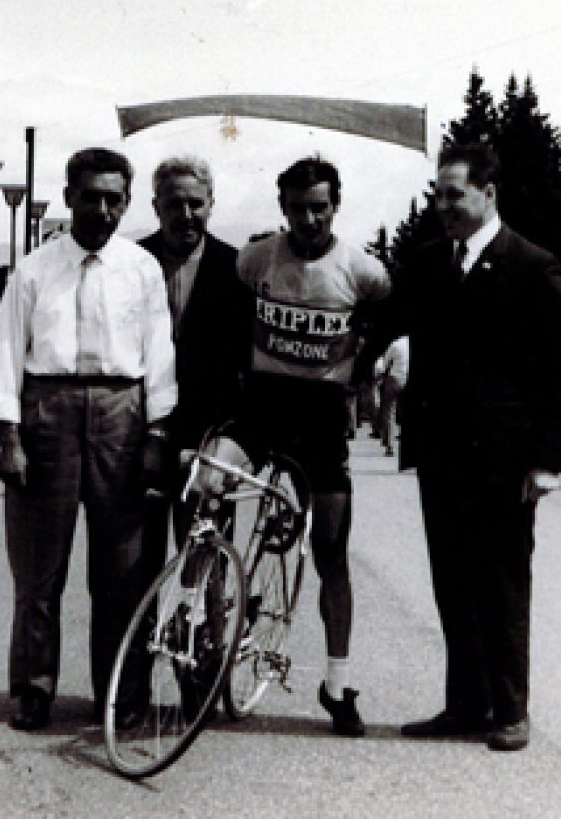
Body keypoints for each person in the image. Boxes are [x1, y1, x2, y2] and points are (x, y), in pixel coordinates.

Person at [360, 142, 561, 752]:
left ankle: (510, 710)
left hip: (505, 459)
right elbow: (382, 325)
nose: (443, 205)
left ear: (489, 192)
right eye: (438, 194)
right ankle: (466, 705)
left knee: (502, 585)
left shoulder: (534, 266)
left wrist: (546, 460)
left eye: (455, 194)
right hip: (441, 454)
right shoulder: (429, 263)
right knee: (452, 583)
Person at [0, 147, 177, 731]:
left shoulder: (141, 269)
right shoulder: (35, 269)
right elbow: (6, 353)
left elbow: (158, 354)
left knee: (123, 572)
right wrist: (7, 437)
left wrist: (157, 431)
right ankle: (33, 689)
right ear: (69, 198)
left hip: (122, 412)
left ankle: (119, 694)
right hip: (48, 413)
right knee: (39, 568)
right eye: (91, 196)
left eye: (115, 198)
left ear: (126, 203)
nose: (103, 209)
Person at [234, 155, 391, 736]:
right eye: (297, 208)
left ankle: (337, 682)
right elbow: (233, 317)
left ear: (336, 205)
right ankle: (209, 619)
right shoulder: (255, 260)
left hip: (322, 421)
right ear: (283, 209)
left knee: (330, 550)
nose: (308, 219)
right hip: (264, 411)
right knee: (209, 486)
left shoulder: (361, 269)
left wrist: (362, 367)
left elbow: (388, 314)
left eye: (318, 208)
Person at [137, 156, 253, 567]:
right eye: (173, 205)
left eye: (195, 204)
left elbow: (247, 363)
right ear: (156, 207)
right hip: (140, 438)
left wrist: (236, 441)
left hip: (208, 441)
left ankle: (211, 630)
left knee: (208, 569)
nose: (185, 216)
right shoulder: (130, 263)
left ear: (210, 204)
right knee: (136, 571)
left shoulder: (237, 268)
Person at [375, 335, 410, 458]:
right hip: (409, 379)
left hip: (395, 379)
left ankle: (390, 445)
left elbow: (384, 364)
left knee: (389, 411)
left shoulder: (396, 344)